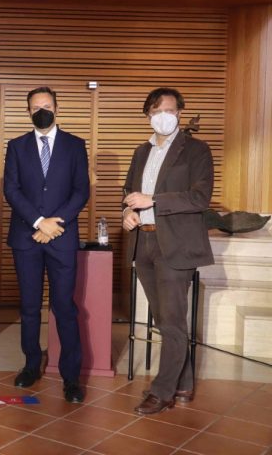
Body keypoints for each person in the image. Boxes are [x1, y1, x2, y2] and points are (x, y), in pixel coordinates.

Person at [123, 87, 214, 415]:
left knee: (173, 321)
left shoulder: (196, 150)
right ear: (148, 115)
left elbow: (200, 197)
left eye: (171, 110)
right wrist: (128, 212)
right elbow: (128, 191)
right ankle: (185, 382)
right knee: (164, 318)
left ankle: (162, 392)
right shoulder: (140, 151)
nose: (165, 116)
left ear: (179, 113)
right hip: (144, 242)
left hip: (176, 244)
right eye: (157, 111)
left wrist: (154, 201)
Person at [3, 86, 89, 403]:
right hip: (26, 237)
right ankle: (30, 365)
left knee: (64, 307)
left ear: (56, 108)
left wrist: (54, 224)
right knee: (28, 307)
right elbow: (11, 191)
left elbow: (81, 191)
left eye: (47, 105)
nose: (42, 110)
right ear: (28, 111)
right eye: (36, 106)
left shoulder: (75, 145)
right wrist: (39, 223)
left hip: (62, 238)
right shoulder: (16, 146)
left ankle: (70, 377)